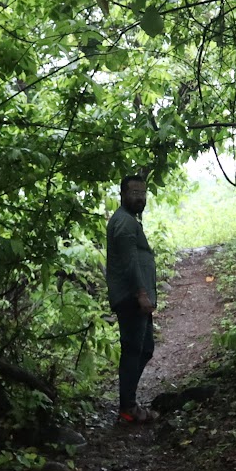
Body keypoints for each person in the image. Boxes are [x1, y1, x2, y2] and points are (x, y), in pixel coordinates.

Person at [105, 173, 159, 425]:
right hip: (131, 298)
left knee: (144, 349)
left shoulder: (128, 220)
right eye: (134, 193)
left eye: (143, 193)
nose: (140, 197)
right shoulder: (125, 223)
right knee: (133, 350)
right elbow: (129, 262)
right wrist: (141, 294)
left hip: (135, 297)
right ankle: (127, 407)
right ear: (123, 194)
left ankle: (129, 402)